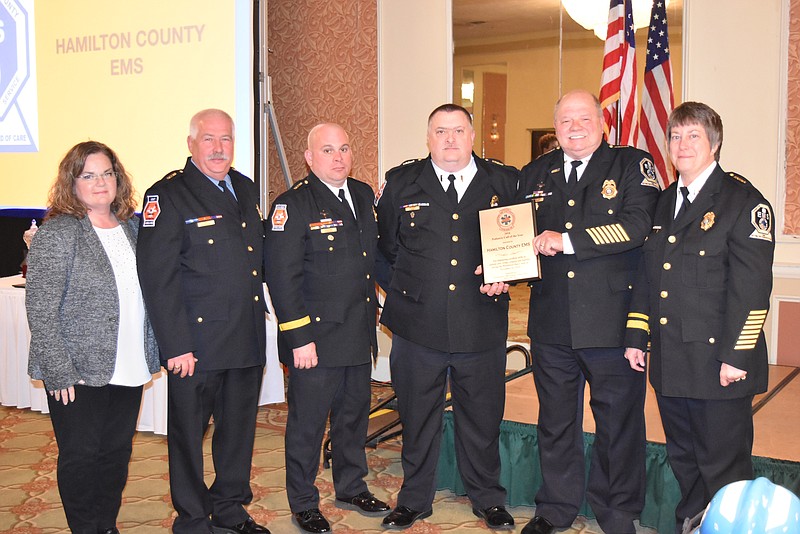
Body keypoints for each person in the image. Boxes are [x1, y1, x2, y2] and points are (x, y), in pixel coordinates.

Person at [624, 101, 775, 533]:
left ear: (715, 143)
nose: (682, 144)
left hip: (718, 366)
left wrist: (737, 357)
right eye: (675, 136)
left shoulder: (743, 201)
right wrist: (637, 334)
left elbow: (752, 291)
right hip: (672, 361)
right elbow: (649, 275)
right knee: (684, 460)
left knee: (723, 465)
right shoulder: (664, 201)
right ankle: (692, 524)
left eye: (694, 136)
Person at [517, 89, 660, 534]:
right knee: (555, 421)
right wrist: (502, 263)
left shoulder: (633, 165)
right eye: (564, 121)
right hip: (551, 321)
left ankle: (617, 513)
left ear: (603, 122)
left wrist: (569, 240)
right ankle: (554, 508)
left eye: (583, 118)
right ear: (554, 128)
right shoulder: (534, 173)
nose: (574, 127)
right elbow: (520, 235)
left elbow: (638, 227)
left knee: (618, 424)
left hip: (612, 321)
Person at [376, 103, 518, 531]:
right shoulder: (402, 183)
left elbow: (518, 244)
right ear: (428, 137)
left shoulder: (504, 181)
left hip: (481, 322)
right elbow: (384, 251)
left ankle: (488, 498)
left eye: (458, 131)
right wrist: (407, 291)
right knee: (418, 416)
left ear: (473, 136)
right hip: (418, 325)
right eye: (441, 131)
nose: (450, 140)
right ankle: (414, 499)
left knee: (482, 417)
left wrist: (505, 275)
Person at [137, 109, 270, 534]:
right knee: (188, 439)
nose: (218, 148)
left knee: (238, 434)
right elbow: (158, 277)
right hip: (196, 344)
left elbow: (252, 261)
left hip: (245, 337)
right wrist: (175, 344)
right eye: (209, 139)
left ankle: (230, 506)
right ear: (191, 144)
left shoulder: (245, 188)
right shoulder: (169, 195)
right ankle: (192, 518)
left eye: (226, 139)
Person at [26, 141, 160, 534]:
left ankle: (105, 524)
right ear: (73, 182)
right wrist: (58, 371)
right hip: (77, 370)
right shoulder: (59, 233)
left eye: (107, 173)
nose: (100, 182)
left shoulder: (134, 230)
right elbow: (41, 309)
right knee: (81, 457)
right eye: (88, 175)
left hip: (129, 361)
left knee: (116, 454)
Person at [264, 123, 389, 533]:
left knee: (353, 418)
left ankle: (351, 486)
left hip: (357, 332)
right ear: (309, 157)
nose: (338, 157)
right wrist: (299, 338)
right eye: (328, 150)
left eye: (344, 149)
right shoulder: (292, 205)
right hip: (315, 340)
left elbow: (371, 258)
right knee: (308, 425)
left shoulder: (363, 195)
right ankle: (302, 501)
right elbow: (282, 279)